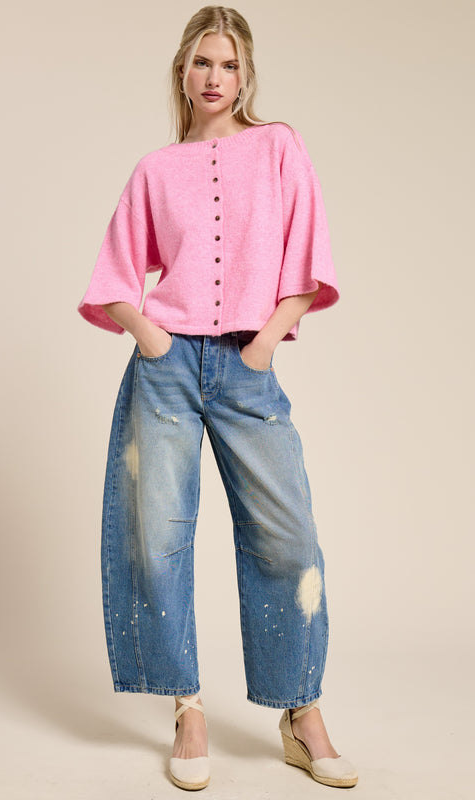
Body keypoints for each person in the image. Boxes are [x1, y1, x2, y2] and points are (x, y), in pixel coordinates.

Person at [77, 4, 358, 792]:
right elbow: (112, 278)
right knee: (155, 537)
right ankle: (187, 708)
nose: (214, 77)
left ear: (245, 75)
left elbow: (309, 262)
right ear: (182, 71)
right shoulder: (154, 169)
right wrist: (151, 338)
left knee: (288, 538)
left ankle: (300, 714)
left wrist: (263, 343)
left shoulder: (278, 147)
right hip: (164, 367)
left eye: (228, 64)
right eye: (202, 62)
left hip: (246, 363)